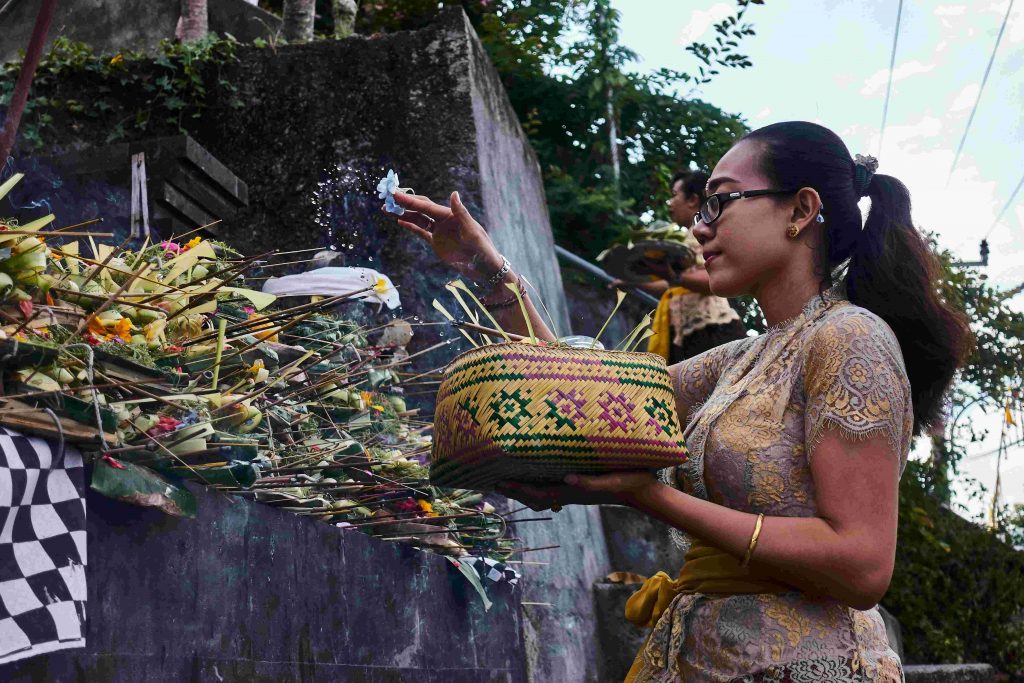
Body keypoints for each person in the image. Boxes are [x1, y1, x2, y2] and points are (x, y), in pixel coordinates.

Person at [387, 120, 973, 682]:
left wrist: (652, 497)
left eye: (720, 201)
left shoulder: (850, 337)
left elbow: (862, 565)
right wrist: (490, 272)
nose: (698, 227)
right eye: (700, 207)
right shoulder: (741, 358)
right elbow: (581, 402)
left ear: (800, 210)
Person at [614, 170, 747, 362]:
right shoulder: (685, 241)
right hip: (685, 336)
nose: (670, 202)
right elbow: (674, 288)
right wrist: (633, 281)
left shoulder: (703, 235)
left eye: (674, 195)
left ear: (692, 200)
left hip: (713, 330)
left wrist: (672, 275)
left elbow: (711, 281)